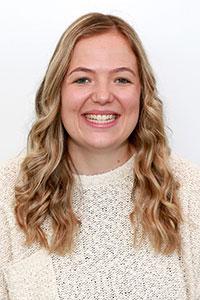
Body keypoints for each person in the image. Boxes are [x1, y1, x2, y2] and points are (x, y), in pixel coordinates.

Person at [0, 12, 200, 300]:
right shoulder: (7, 196)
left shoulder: (190, 193)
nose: (103, 95)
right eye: (82, 80)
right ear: (57, 92)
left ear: (142, 93)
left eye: (121, 79)